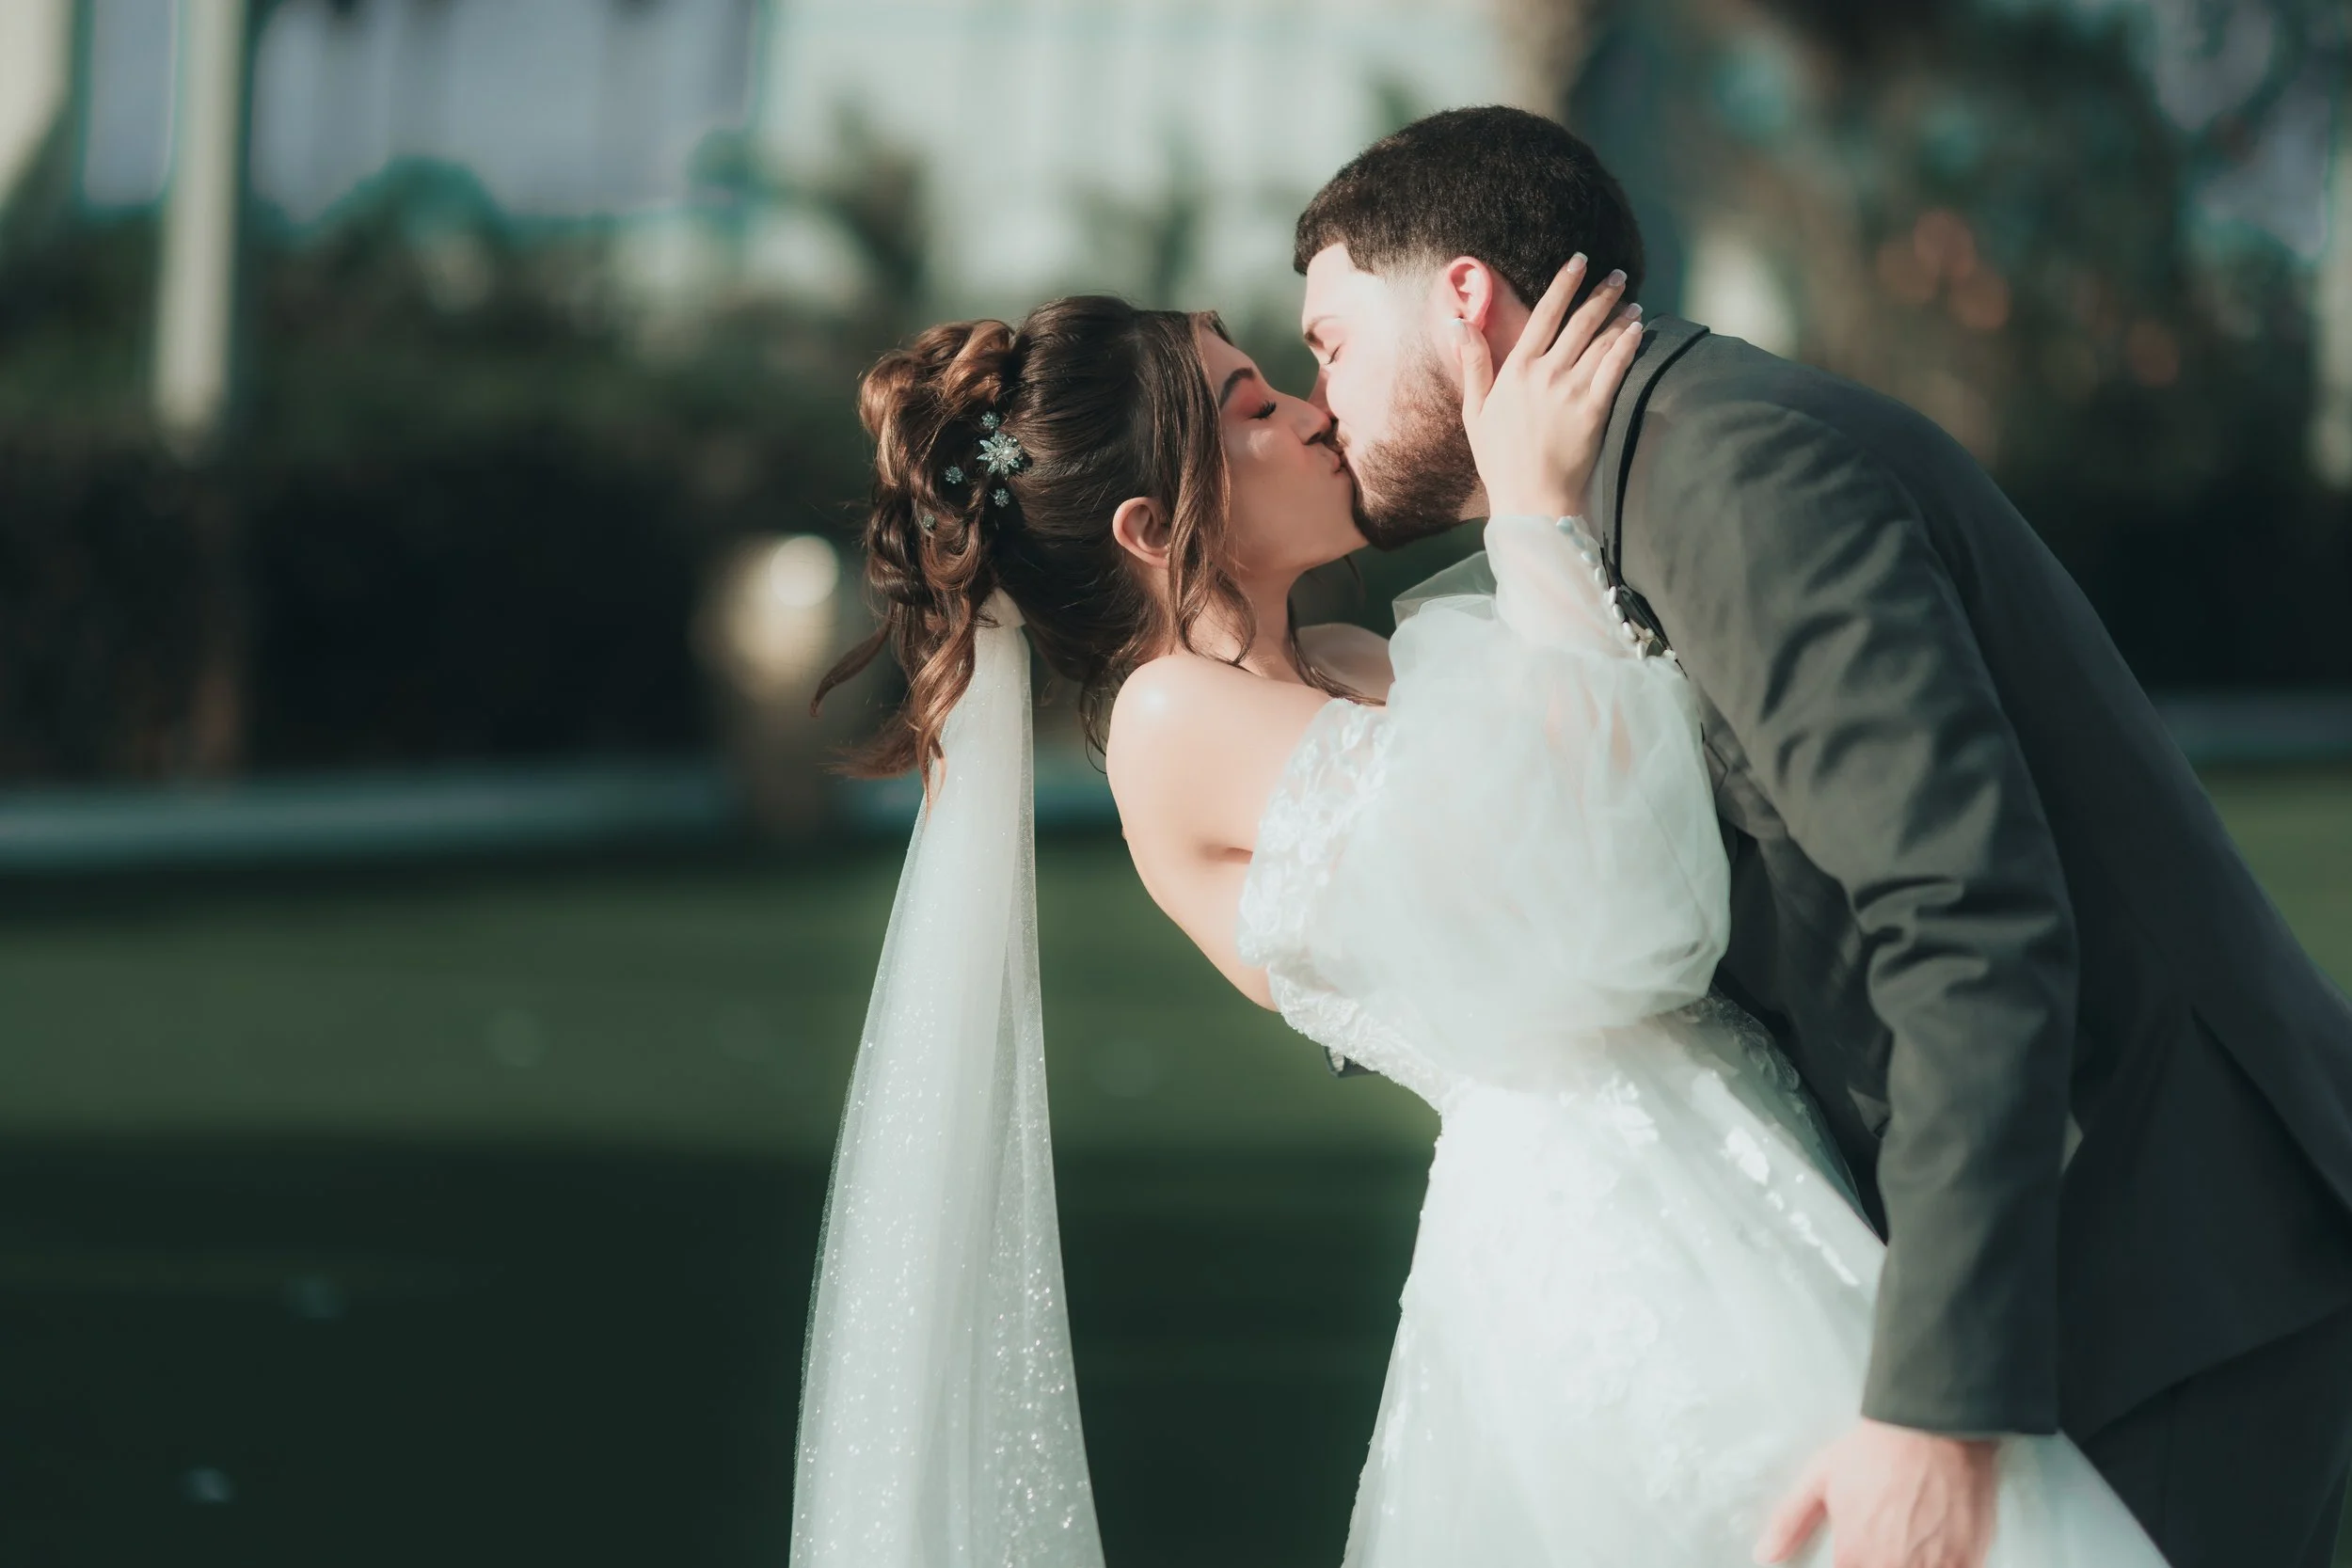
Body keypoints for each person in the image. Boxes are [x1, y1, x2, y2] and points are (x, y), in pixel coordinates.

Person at [790, 272, 2170, 1562]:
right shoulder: (1168, 723)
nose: (1312, 412)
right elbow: (1604, 908)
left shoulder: (1347, 659)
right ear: (1151, 531)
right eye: (1253, 410)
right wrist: (1531, 517)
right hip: (1620, 1238)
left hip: (1726, 1160)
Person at [1291, 105, 2352, 1568]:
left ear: (1461, 296)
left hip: (2158, 1244)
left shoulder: (1727, 469)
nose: (1320, 400)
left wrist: (1938, 1400)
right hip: (2102, 1244)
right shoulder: (1649, 470)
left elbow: (1965, 908)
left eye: (1329, 343)